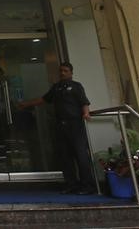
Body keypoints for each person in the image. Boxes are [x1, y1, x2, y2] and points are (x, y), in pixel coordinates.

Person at [18, 61, 94, 195]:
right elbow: (43, 100)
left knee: (81, 155)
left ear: (71, 72)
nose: (62, 73)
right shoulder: (56, 87)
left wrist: (86, 113)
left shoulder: (76, 86)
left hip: (75, 124)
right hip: (60, 125)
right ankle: (71, 184)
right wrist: (26, 104)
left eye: (65, 71)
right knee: (65, 156)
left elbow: (84, 102)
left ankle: (87, 185)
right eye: (61, 71)